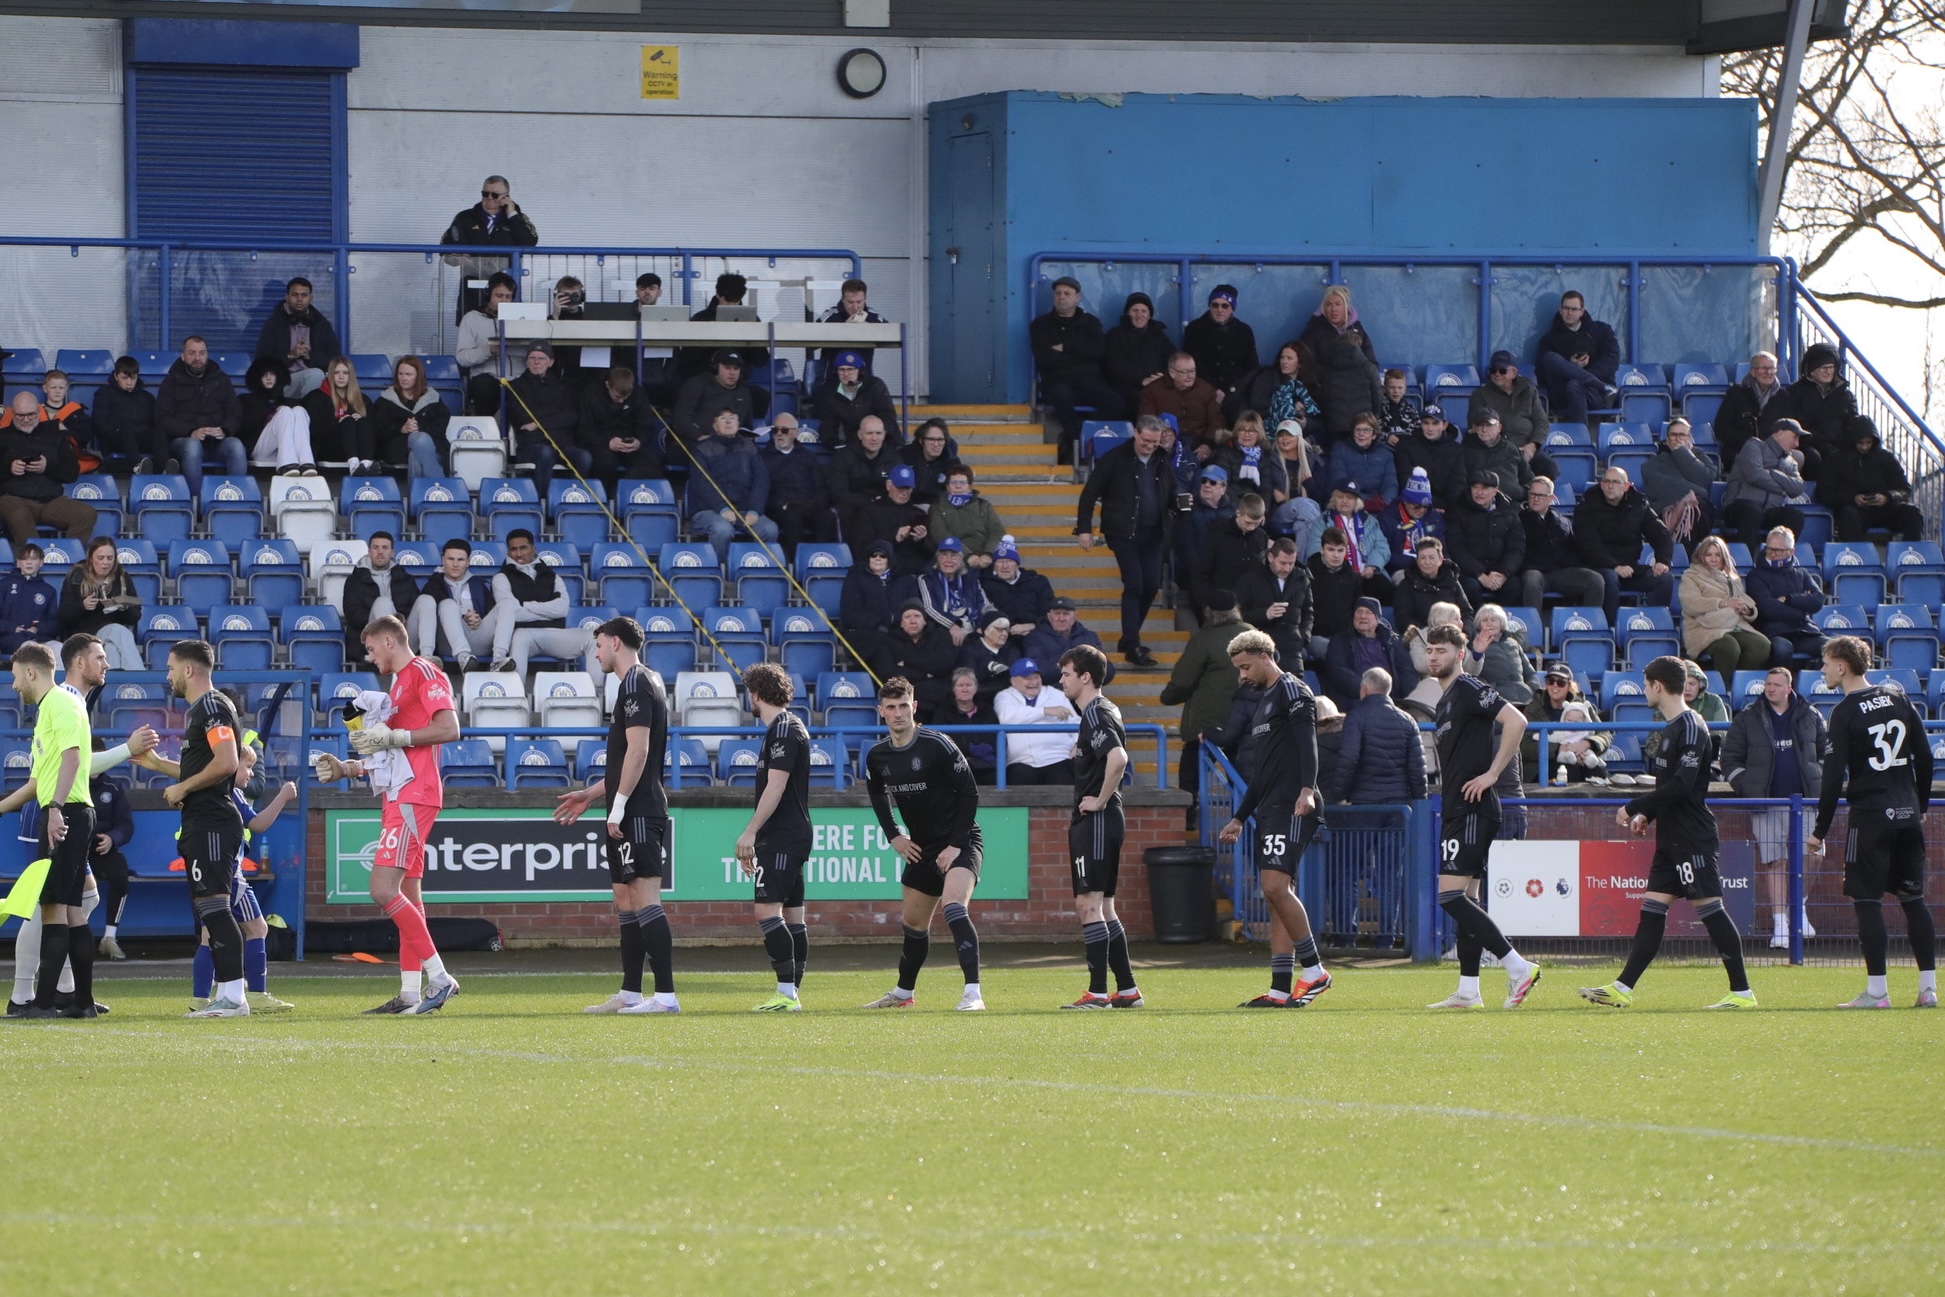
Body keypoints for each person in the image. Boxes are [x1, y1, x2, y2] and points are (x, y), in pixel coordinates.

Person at [1579, 656, 1756, 1010]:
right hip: (1671, 836)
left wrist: (1634, 805)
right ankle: (1622, 988)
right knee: (1652, 909)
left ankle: (1742, 993)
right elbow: (1671, 788)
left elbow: (1683, 785)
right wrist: (1648, 813)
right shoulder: (1672, 728)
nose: (1644, 691)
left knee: (1711, 910)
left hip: (1691, 836)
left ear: (1658, 685)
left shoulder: (1691, 726)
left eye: (1646, 685)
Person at [312, 615, 463, 1014]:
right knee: (409, 895)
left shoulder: (424, 673)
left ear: (390, 641)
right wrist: (348, 767)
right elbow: (393, 757)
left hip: (414, 796)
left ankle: (441, 979)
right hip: (401, 793)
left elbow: (449, 728)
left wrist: (395, 735)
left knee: (382, 890)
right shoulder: (397, 687)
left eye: (371, 647)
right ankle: (410, 994)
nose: (369, 655)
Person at [555, 617, 680, 1014]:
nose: (595, 654)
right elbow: (627, 759)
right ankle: (630, 992)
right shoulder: (641, 682)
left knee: (645, 899)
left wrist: (622, 805)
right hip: (629, 805)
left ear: (614, 642)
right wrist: (592, 794)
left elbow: (639, 752)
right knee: (625, 899)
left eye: (598, 646)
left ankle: (665, 997)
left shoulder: (636, 683)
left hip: (640, 810)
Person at [1807, 635, 1937, 1009]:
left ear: (1842, 666)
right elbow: (1925, 759)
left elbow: (1832, 778)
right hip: (1907, 815)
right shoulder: (1899, 697)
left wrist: (1819, 831)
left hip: (1870, 818)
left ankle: (1877, 993)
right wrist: (1921, 805)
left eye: (1827, 663)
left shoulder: (1844, 712)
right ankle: (1928, 990)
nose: (1823, 669)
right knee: (1914, 900)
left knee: (1868, 901)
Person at [1421, 623, 1544, 1010]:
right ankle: (1469, 991)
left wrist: (1492, 773)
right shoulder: (1444, 701)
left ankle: (1517, 966)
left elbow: (1517, 721)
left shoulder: (1469, 688)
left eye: (1442, 650)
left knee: (1450, 896)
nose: (1434, 656)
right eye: (1430, 650)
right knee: (1467, 901)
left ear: (1460, 655)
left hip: (1474, 808)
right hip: (1460, 808)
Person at [1215, 629, 1333, 1006]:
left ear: (1265, 657)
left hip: (1294, 804)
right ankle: (1281, 990)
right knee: (1277, 896)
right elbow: (1263, 771)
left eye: (1246, 666)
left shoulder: (1293, 691)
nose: (1242, 675)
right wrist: (1239, 817)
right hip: (1271, 806)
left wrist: (1306, 790)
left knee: (1274, 887)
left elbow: (1308, 743)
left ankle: (1314, 971)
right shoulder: (1264, 701)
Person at [861, 676, 987, 1010]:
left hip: (960, 840)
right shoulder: (877, 757)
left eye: (904, 706)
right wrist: (894, 835)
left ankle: (973, 994)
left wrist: (956, 845)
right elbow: (876, 794)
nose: (898, 713)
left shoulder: (937, 744)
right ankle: (903, 994)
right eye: (891, 707)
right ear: (881, 712)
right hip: (922, 846)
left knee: (954, 907)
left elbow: (970, 793)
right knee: (914, 924)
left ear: (914, 707)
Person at [5, 642, 100, 1018]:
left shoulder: (58, 704)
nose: (13, 686)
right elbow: (35, 781)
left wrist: (56, 809)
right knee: (73, 912)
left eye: (15, 676)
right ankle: (82, 1003)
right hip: (72, 811)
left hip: (67, 812)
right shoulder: (54, 706)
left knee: (53, 910)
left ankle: (42, 1004)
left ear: (31, 672)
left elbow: (72, 758)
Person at [1052, 645, 1142, 1008]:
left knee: (1088, 905)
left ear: (1085, 677)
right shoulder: (1102, 712)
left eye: (1066, 674)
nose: (1061, 680)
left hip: (1099, 820)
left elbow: (1118, 759)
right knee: (1104, 907)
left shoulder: (1096, 713)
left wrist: (1100, 800)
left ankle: (1098, 993)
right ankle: (1128, 990)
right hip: (1103, 821)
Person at [186, 742, 297, 1014]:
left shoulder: (208, 790)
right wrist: (282, 796)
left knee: (208, 934)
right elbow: (257, 824)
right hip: (229, 874)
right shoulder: (229, 793)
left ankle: (199, 999)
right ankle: (256, 994)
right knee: (258, 928)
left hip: (205, 868)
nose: (251, 773)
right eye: (247, 767)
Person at [1721, 666, 1826, 950]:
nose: (1770, 689)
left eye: (1777, 685)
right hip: (1767, 802)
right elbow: (1729, 758)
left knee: (1812, 856)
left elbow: (1828, 751)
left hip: (1806, 800)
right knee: (1776, 861)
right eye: (1768, 684)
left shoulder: (1811, 715)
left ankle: (1798, 909)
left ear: (1789, 688)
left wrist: (1822, 780)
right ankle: (1781, 925)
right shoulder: (1748, 718)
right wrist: (1747, 786)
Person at [1320, 665, 1428, 943]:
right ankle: (1387, 937)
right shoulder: (1407, 721)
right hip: (1397, 810)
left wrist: (1340, 794)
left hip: (1362, 809)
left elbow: (1349, 759)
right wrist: (1419, 806)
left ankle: (1346, 935)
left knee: (1347, 872)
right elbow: (1418, 770)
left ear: (1364, 689)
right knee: (1391, 875)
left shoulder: (1357, 717)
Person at [731, 664, 813, 1011]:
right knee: (793, 915)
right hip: (791, 833)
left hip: (782, 834)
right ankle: (790, 993)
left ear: (756, 694)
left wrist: (750, 831)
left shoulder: (782, 729)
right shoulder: (787, 726)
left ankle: (786, 993)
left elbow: (776, 786)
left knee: (767, 911)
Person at [1074, 414, 1170, 667]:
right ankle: (1133, 644)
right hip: (1122, 531)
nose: (1150, 446)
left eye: (1155, 442)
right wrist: (1084, 528)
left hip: (1154, 532)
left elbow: (1169, 492)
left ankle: (1129, 638)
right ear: (1136, 434)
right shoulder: (1115, 458)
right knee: (1135, 584)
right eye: (1146, 441)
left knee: (1151, 586)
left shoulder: (1162, 459)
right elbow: (1089, 493)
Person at [1159, 589, 1249, 813]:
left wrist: (1168, 697)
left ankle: (1187, 819)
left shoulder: (1204, 640)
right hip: (1246, 719)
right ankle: (1246, 826)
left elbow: (1183, 680)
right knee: (1240, 776)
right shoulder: (1252, 635)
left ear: (1209, 612)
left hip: (1207, 724)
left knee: (1191, 775)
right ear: (1236, 610)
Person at [1030, 276, 1123, 462]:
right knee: (1061, 397)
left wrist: (1065, 348)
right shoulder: (1040, 325)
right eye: (1058, 294)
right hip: (1057, 382)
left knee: (1117, 403)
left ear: (1077, 297)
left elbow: (1098, 351)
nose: (1061, 297)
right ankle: (1080, 443)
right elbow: (1045, 358)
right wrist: (1080, 355)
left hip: (1088, 382)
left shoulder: (1091, 323)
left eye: (1067, 293)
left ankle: (1076, 434)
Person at [492, 529, 598, 680]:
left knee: (594, 638)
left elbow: (562, 609)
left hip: (554, 633)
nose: (519, 554)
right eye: (514, 549)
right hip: (524, 634)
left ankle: (597, 693)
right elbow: (513, 613)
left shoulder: (552, 576)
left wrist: (527, 605)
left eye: (523, 548)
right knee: (520, 636)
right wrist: (548, 611)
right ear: (508, 552)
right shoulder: (501, 578)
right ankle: (514, 693)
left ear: (533, 549)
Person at [1575, 466, 1674, 621]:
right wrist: (1615, 566)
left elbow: (1661, 535)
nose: (1610, 486)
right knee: (1609, 577)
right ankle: (1612, 629)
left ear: (1626, 486)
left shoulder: (1639, 505)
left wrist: (1662, 561)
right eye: (1606, 481)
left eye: (1615, 482)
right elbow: (1588, 545)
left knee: (1665, 578)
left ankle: (1655, 625)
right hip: (1598, 569)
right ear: (1601, 485)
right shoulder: (1586, 508)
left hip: (1630, 569)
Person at [0, 392, 96, 545]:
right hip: (14, 499)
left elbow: (71, 473)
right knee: (18, 515)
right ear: (12, 413)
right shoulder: (2, 436)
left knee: (86, 514)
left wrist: (48, 467)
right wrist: (8, 468)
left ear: (39, 411)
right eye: (20, 416)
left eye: (30, 415)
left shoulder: (54, 433)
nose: (25, 420)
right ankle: (32, 563)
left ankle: (68, 559)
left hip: (52, 501)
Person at [440, 175, 538, 323]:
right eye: (485, 193)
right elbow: (446, 248)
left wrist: (512, 214)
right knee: (471, 333)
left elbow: (530, 242)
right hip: (472, 287)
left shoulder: (518, 218)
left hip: (506, 289)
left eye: (495, 195)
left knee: (508, 333)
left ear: (506, 197)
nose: (489, 198)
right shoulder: (465, 218)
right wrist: (464, 261)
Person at [689, 406, 780, 563]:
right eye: (723, 418)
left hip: (745, 509)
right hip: (711, 510)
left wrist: (755, 510)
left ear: (739, 424)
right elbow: (701, 484)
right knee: (722, 529)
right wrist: (722, 509)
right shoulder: (701, 449)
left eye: (733, 418)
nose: (728, 421)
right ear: (714, 425)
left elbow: (761, 480)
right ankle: (718, 573)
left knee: (769, 529)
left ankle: (755, 569)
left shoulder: (750, 448)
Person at [1296, 284, 1382, 441]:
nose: (1333, 309)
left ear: (1346, 306)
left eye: (1337, 304)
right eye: (1328, 305)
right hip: (1329, 400)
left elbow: (1372, 364)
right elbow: (1307, 364)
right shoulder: (1313, 331)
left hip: (1359, 402)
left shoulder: (1358, 329)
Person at [505, 341, 591, 497]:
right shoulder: (516, 386)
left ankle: (570, 498)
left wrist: (538, 423)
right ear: (526, 361)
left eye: (542, 358)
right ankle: (542, 503)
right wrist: (555, 418)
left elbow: (571, 417)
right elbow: (521, 418)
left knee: (584, 457)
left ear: (551, 362)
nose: (537, 362)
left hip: (562, 443)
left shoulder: (564, 387)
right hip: (531, 444)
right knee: (546, 453)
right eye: (532, 358)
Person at [1819, 414, 1924, 541]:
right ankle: (1854, 557)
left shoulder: (1886, 458)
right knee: (1848, 515)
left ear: (1874, 441)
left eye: (1868, 442)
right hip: (1855, 511)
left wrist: (1887, 497)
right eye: (1860, 443)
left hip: (1886, 509)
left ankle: (1911, 555)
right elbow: (1824, 493)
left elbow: (1904, 489)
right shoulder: (1835, 460)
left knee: (1912, 513)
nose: (1864, 447)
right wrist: (1852, 499)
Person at [1679, 535, 1772, 677]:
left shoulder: (1732, 577)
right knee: (1729, 647)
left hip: (1733, 625)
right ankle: (1723, 687)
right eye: (1708, 555)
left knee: (1762, 646)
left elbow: (1744, 599)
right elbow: (1691, 603)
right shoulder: (1691, 576)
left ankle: (1737, 681)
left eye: (1718, 555)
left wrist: (1746, 609)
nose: (1713, 559)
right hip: (1703, 628)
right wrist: (1722, 603)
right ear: (1701, 556)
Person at [1516, 476, 1606, 612]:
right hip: (1535, 571)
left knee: (1595, 580)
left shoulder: (1562, 521)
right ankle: (1534, 628)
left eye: (1540, 495)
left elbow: (1574, 548)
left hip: (1562, 572)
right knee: (1532, 580)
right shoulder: (1518, 521)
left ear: (1551, 498)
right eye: (1532, 494)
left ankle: (1589, 625)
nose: (1535, 498)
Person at [1744, 525, 1826, 668]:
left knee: (1834, 648)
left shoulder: (1802, 573)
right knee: (1782, 650)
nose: (1772, 553)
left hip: (1804, 631)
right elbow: (1768, 609)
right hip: (1773, 632)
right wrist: (1802, 610)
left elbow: (1818, 600)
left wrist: (1789, 599)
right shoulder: (1755, 576)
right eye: (1769, 548)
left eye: (1777, 550)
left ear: (1791, 551)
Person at [1723, 417, 1811, 549]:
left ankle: (1781, 557)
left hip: (1768, 512)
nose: (1797, 444)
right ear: (1780, 434)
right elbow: (1755, 475)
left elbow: (1798, 488)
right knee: (1753, 511)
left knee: (1795, 516)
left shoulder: (1791, 462)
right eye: (1794, 437)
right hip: (1739, 507)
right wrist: (1782, 490)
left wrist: (1773, 473)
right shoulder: (1754, 445)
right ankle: (1748, 561)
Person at [756, 413, 835, 560]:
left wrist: (817, 504)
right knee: (792, 517)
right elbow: (761, 490)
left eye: (784, 430)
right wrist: (782, 505)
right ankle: (796, 565)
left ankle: (822, 562)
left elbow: (820, 487)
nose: (779, 434)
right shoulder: (763, 457)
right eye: (775, 430)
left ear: (795, 433)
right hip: (781, 508)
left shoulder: (808, 456)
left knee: (827, 517)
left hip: (808, 505)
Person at [1468, 351, 1558, 479]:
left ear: (1514, 372)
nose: (1497, 374)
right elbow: (1475, 426)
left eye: (1502, 370)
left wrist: (1533, 445)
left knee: (1549, 467)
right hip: (1497, 450)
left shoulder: (1529, 390)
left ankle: (1536, 497)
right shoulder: (1480, 395)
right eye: (1493, 370)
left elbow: (1541, 422)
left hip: (1527, 448)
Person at [1534, 290, 1620, 424]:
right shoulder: (1549, 340)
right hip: (1562, 396)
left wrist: (1581, 374)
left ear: (1582, 311)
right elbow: (1541, 374)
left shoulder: (1602, 330)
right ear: (1560, 310)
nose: (1569, 313)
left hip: (1596, 395)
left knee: (1575, 383)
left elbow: (1612, 360)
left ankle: (1581, 439)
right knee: (1550, 358)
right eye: (1566, 308)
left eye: (1574, 309)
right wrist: (1570, 366)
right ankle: (1601, 386)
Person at [413, 538, 500, 670]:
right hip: (446, 643)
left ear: (468, 562)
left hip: (477, 638)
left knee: (505, 605)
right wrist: (463, 618)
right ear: (443, 560)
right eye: (450, 559)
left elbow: (488, 613)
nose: (455, 564)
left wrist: (477, 619)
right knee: (447, 604)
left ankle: (499, 658)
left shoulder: (478, 584)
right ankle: (462, 657)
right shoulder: (434, 585)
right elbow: (429, 617)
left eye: (460, 560)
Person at [58, 538, 141, 671]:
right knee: (118, 631)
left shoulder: (122, 578)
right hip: (84, 638)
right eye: (100, 558)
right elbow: (63, 617)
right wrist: (82, 606)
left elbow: (135, 617)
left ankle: (109, 691)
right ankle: (141, 681)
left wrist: (124, 608)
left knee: (111, 650)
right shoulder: (76, 577)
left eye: (110, 558)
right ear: (91, 558)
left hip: (111, 639)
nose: (105, 563)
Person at [1445, 472, 1525, 609]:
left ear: (1495, 491)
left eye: (1485, 488)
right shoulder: (1458, 511)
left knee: (1514, 586)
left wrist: (1504, 574)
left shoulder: (1509, 512)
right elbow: (1457, 548)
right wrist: (1480, 575)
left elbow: (1516, 547)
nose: (1479, 492)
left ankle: (1499, 624)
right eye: (1475, 487)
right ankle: (1477, 625)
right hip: (1470, 571)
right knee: (1469, 587)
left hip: (1499, 570)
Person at [1323, 596, 1417, 712]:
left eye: (1369, 612)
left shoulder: (1393, 641)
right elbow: (1338, 671)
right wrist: (1367, 691)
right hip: (1357, 699)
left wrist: (1411, 699)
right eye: (1359, 611)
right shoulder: (1340, 640)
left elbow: (1406, 670)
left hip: (1392, 700)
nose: (1363, 616)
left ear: (1378, 618)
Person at [675, 273, 771, 386]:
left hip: (738, 382)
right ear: (717, 294)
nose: (731, 306)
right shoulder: (701, 319)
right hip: (705, 381)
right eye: (727, 301)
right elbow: (686, 359)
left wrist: (749, 333)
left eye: (735, 301)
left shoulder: (751, 320)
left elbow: (761, 360)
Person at [87, 734, 134, 961]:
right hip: (76, 849)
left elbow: (126, 824)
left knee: (120, 874)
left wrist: (112, 839)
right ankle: (73, 937)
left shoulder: (113, 787)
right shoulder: (70, 782)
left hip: (102, 848)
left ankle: (109, 937)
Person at [1522, 664, 1612, 783]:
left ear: (1569, 686)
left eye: (1561, 682)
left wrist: (1588, 743)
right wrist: (1559, 749)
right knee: (1570, 771)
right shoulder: (1533, 708)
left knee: (1598, 772)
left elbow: (1604, 733)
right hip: (1543, 764)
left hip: (1581, 757)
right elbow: (1523, 745)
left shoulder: (1582, 706)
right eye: (1550, 681)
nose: (1555, 685)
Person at [993, 656, 1076, 785]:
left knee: (1065, 781)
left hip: (1058, 758)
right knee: (1019, 782)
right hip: (1021, 761)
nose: (1034, 682)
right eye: (1028, 678)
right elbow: (1006, 717)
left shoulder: (1056, 695)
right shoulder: (1004, 696)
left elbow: (1076, 723)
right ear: (1013, 681)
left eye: (1036, 677)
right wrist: (1045, 711)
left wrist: (1078, 743)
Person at [253, 276, 339, 397]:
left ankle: (305, 412)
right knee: (315, 375)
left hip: (314, 381)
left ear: (311, 298)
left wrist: (310, 356)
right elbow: (261, 362)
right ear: (287, 297)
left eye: (304, 295)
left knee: (315, 375)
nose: (299, 299)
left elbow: (335, 360)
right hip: (282, 382)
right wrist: (290, 355)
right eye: (295, 295)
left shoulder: (322, 325)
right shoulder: (273, 324)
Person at [343, 532, 422, 663]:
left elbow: (414, 606)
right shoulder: (354, 580)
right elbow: (353, 614)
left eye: (385, 548)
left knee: (425, 600)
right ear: (369, 552)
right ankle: (388, 656)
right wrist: (387, 618)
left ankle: (427, 656)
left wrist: (400, 618)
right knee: (383, 602)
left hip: (404, 637)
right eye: (376, 548)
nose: (380, 552)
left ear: (392, 552)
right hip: (372, 638)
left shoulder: (406, 579)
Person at [369, 355, 451, 481]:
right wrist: (401, 428)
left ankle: (417, 496)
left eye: (408, 374)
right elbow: (378, 430)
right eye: (400, 374)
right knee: (420, 439)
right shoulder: (386, 400)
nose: (404, 378)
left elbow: (440, 427)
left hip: (433, 446)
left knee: (416, 454)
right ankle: (442, 487)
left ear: (418, 376)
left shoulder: (432, 398)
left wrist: (419, 428)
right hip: (398, 448)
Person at [1638, 417, 1715, 549]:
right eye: (1674, 435)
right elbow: (1656, 488)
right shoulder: (1652, 464)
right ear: (1667, 438)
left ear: (1690, 438)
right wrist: (1693, 493)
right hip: (1667, 508)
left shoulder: (1701, 458)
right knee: (1688, 512)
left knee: (1695, 509)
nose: (1678, 439)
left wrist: (1682, 453)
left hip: (1700, 509)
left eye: (1682, 435)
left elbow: (1705, 479)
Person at [578, 365, 662, 486]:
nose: (621, 401)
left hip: (629, 444)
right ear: (608, 385)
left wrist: (639, 441)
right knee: (605, 462)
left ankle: (630, 495)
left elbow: (645, 424)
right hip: (600, 444)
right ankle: (603, 498)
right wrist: (608, 442)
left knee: (649, 460)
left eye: (625, 397)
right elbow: (584, 430)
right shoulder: (590, 393)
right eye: (617, 397)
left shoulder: (639, 393)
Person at [1309, 478, 1393, 599]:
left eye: (1349, 497)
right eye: (1340, 497)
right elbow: (1314, 549)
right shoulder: (1323, 521)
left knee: (1389, 592)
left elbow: (1383, 547)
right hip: (1337, 574)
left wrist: (1372, 566)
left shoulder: (1369, 521)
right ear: (1334, 500)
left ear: (1356, 501)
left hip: (1367, 575)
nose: (1345, 501)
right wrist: (1338, 568)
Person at [1235, 538, 1311, 667]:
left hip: (1293, 651)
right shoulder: (1250, 579)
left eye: (1291, 564)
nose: (1287, 568)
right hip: (1260, 650)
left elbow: (1308, 612)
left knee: (1292, 686)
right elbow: (1238, 616)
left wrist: (1303, 637)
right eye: (1282, 563)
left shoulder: (1301, 579)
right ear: (1270, 557)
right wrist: (1265, 614)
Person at [874, 601, 958, 715]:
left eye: (917, 616)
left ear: (924, 621)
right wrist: (925, 674)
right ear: (901, 623)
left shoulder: (940, 636)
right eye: (907, 617)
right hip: (905, 702)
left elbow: (945, 663)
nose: (913, 621)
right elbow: (887, 673)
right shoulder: (888, 641)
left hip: (940, 701)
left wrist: (907, 661)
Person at [1715, 351, 1791, 475]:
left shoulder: (1783, 396)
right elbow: (1721, 428)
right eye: (1764, 368)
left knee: (1797, 458)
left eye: (1772, 368)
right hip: (1741, 449)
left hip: (1774, 451)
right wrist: (1749, 443)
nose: (1769, 372)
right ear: (1753, 371)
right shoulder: (1736, 394)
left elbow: (1789, 429)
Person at [825, 416, 899, 540]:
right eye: (869, 433)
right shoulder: (843, 456)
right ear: (860, 435)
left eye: (878, 433)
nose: (874, 438)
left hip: (884, 504)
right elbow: (838, 493)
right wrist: (870, 501)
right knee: (843, 512)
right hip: (853, 505)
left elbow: (899, 488)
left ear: (884, 435)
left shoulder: (893, 457)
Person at [455, 272, 518, 416]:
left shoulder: (521, 318)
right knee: (483, 387)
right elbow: (462, 357)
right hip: (487, 378)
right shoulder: (471, 318)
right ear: (488, 295)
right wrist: (489, 350)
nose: (504, 301)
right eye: (499, 296)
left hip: (517, 378)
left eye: (508, 297)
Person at [1102, 291, 1175, 415]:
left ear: (1149, 315)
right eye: (1135, 310)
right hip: (1125, 387)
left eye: (1144, 311)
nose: (1139, 315)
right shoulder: (1115, 335)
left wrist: (1164, 377)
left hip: (1157, 385)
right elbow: (1113, 365)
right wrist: (1142, 380)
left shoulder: (1159, 336)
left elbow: (1173, 360)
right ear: (1128, 313)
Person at [671, 350, 764, 446]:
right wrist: (698, 436)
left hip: (731, 445)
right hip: (698, 442)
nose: (732, 372)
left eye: (736, 368)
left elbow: (746, 425)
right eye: (727, 368)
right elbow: (681, 418)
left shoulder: (744, 391)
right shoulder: (697, 384)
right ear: (716, 368)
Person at [856, 463, 934, 575]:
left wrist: (921, 541)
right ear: (888, 485)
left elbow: (931, 554)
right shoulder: (870, 511)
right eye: (899, 487)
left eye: (907, 488)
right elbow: (861, 550)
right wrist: (894, 539)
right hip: (884, 572)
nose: (904, 492)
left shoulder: (918, 514)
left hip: (915, 572)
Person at [1181, 284, 1259, 397]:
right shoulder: (1194, 329)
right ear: (1210, 306)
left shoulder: (1244, 331)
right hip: (1203, 389)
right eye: (1215, 305)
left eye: (1225, 306)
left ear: (1232, 308)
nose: (1219, 310)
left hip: (1237, 391)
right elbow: (1193, 363)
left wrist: (1236, 390)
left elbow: (1252, 366)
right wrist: (1214, 389)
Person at [1230, 341, 1323, 433]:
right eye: (1282, 358)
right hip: (1265, 431)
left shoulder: (1309, 386)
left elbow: (1319, 420)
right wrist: (1291, 407)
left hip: (1298, 435)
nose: (1284, 361)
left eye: (1289, 358)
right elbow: (1258, 405)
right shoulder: (1267, 377)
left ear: (1300, 363)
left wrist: (1306, 423)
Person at [813, 349, 901, 447]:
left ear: (860, 371)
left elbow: (888, 417)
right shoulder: (830, 392)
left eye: (850, 369)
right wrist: (834, 443)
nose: (846, 374)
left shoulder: (875, 386)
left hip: (883, 442)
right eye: (842, 369)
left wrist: (870, 437)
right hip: (853, 445)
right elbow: (828, 425)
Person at [1784, 341, 1857, 456]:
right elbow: (1794, 425)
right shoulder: (1794, 393)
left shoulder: (1845, 395)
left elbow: (1853, 423)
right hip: (1808, 446)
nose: (1828, 372)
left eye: (1831, 367)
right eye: (1824, 368)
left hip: (1839, 446)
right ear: (1811, 371)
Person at [1138, 352, 1225, 449]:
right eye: (1185, 372)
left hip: (1199, 444)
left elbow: (1216, 420)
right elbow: (1147, 422)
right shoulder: (1152, 391)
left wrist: (1207, 444)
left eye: (1193, 371)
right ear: (1172, 373)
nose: (1190, 376)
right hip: (1165, 444)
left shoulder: (1206, 389)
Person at [811, 277, 891, 381]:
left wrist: (869, 328)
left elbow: (890, 334)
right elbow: (811, 342)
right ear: (843, 299)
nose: (855, 307)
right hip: (831, 381)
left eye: (859, 302)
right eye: (850, 302)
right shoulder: (831, 315)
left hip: (864, 381)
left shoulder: (872, 315)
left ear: (865, 299)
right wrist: (844, 328)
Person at [1391, 536, 1472, 638]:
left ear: (1440, 559)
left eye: (1431, 557)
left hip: (1455, 637)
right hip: (1423, 639)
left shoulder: (1452, 582)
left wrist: (1465, 634)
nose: (1427, 562)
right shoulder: (1406, 586)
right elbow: (1403, 619)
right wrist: (1430, 636)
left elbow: (1467, 612)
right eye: (1423, 558)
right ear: (1417, 561)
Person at [912, 538, 988, 643]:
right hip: (943, 631)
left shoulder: (970, 578)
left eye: (953, 555)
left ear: (961, 559)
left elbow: (981, 604)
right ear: (937, 558)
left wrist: (981, 626)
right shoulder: (926, 579)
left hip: (973, 629)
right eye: (944, 555)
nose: (948, 560)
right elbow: (929, 608)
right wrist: (952, 624)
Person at [239, 357, 308, 471]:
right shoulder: (246, 400)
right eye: (264, 374)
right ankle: (287, 465)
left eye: (272, 374)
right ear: (257, 378)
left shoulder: (292, 403)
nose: (268, 378)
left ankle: (306, 463)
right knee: (285, 412)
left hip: (291, 453)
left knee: (299, 410)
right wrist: (276, 417)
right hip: (260, 449)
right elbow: (244, 430)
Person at [932, 668, 1001, 783]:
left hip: (984, 765)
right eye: (960, 685)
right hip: (954, 765)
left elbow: (995, 739)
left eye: (969, 685)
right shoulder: (943, 713)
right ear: (953, 689)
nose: (965, 689)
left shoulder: (987, 711)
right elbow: (939, 743)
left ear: (976, 688)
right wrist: (969, 749)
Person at [979, 539, 1054, 644]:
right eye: (1000, 561)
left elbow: (1050, 613)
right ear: (994, 565)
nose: (1005, 566)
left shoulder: (1037, 581)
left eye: (1010, 561)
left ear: (1017, 565)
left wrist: (1031, 626)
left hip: (1037, 634)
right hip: (1003, 637)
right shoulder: (985, 583)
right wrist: (1010, 629)